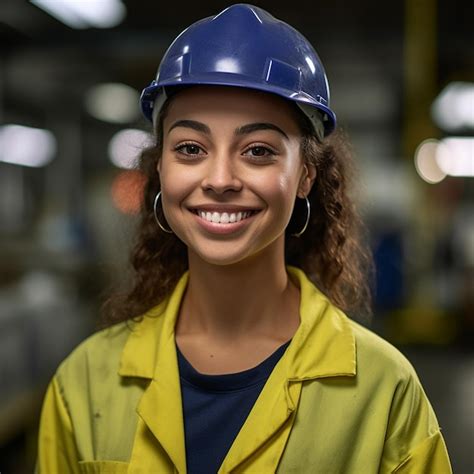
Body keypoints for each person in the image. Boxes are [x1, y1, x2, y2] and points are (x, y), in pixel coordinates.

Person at [36, 4, 452, 473]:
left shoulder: (384, 390)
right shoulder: (85, 382)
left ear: (306, 177)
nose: (219, 178)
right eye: (190, 148)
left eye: (258, 151)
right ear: (161, 170)